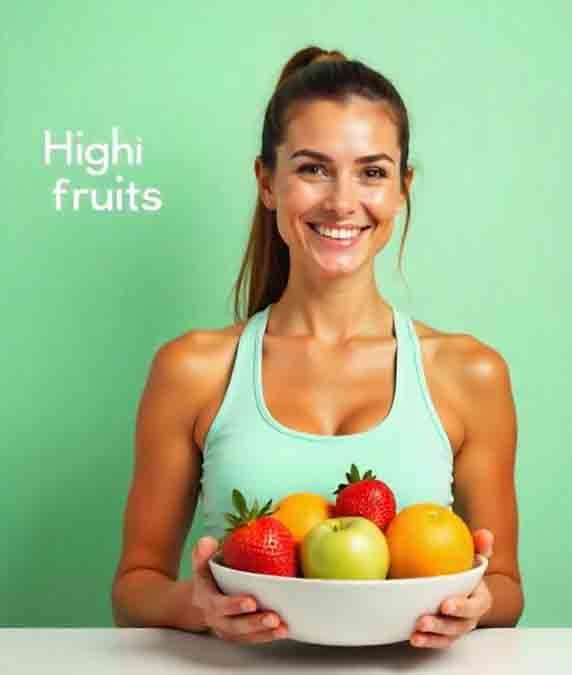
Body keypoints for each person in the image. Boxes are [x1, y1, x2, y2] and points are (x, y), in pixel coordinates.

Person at [111, 47, 522, 648]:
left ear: (403, 188)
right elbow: (134, 586)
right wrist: (198, 605)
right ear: (267, 183)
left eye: (372, 172)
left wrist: (478, 602)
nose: (341, 201)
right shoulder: (194, 369)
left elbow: (507, 589)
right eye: (313, 168)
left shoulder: (470, 373)